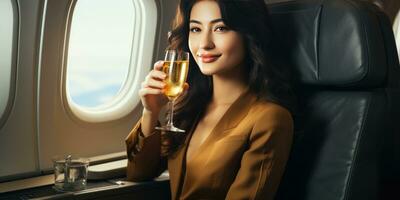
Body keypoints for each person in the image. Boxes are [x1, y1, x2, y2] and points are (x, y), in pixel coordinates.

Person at [125, 0, 296, 199]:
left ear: (249, 34)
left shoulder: (270, 118)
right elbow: (138, 174)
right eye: (196, 29)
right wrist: (151, 112)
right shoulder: (190, 106)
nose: (204, 43)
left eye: (221, 28)